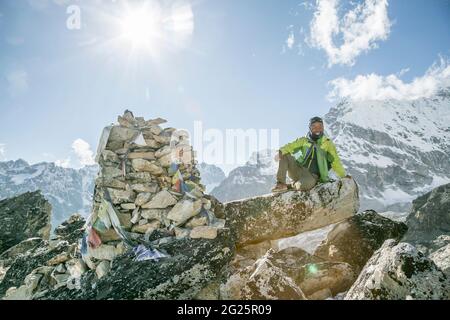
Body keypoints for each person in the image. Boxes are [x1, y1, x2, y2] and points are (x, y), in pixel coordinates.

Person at [272, 116, 349, 193]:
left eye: (320, 126)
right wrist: (280, 152)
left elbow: (335, 161)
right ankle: (281, 184)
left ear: (323, 128)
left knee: (303, 186)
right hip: (298, 169)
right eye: (314, 127)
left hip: (312, 176)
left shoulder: (328, 143)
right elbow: (290, 146)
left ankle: (292, 185)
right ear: (310, 128)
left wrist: (344, 175)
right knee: (284, 154)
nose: (317, 129)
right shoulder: (304, 140)